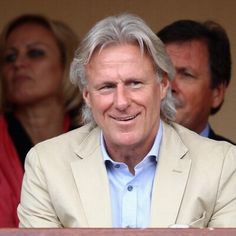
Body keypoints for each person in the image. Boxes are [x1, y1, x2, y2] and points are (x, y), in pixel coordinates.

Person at [18, 13, 236, 228]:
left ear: (162, 86)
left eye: (134, 83)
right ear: (87, 96)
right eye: (106, 87)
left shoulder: (221, 165)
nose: (121, 102)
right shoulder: (46, 165)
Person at [0, 14, 83, 227]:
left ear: (66, 65)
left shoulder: (95, 139)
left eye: (34, 53)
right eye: (9, 57)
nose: (18, 63)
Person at [157, 20, 235, 143]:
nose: (169, 86)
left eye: (186, 75)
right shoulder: (121, 156)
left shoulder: (230, 159)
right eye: (162, 73)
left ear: (217, 93)